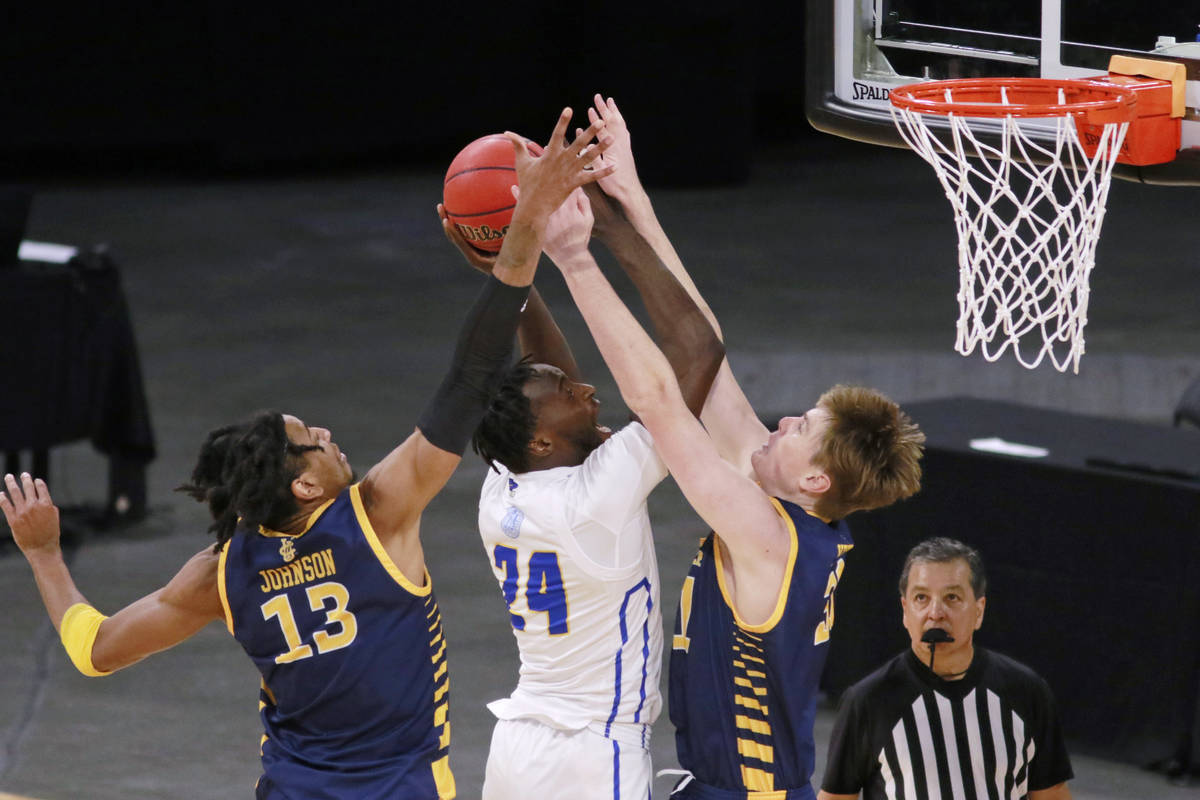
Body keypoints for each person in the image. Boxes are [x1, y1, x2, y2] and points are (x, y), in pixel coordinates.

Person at [0, 106, 614, 800]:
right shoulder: (376, 515)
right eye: (311, 441)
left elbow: (94, 649)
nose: (327, 434)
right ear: (303, 487)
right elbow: (471, 376)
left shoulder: (223, 573)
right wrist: (521, 238)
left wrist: (46, 556)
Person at [542, 95, 927, 799]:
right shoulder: (794, 518)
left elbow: (662, 401)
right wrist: (629, 198)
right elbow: (704, 353)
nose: (781, 422)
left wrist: (574, 260)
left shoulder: (766, 535)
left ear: (814, 481)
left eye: (800, 429)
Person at [436, 95, 726, 800]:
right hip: (596, 753)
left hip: (517, 746)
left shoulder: (504, 485)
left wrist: (510, 262)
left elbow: (545, 378)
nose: (589, 391)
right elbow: (697, 352)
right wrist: (601, 226)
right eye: (573, 398)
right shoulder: (598, 496)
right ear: (541, 438)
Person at [818, 538, 1073, 800]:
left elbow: (1051, 793)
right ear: (905, 611)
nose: (936, 613)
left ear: (979, 610)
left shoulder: (1027, 692)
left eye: (952, 597)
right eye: (921, 598)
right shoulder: (869, 701)